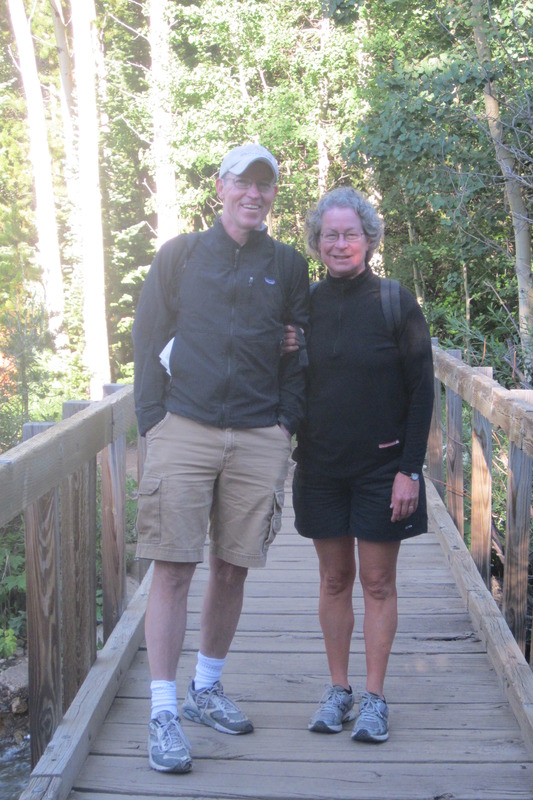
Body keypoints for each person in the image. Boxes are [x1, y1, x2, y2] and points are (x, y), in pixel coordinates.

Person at [132, 144, 310, 773]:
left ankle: (205, 688)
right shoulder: (180, 255)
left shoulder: (287, 264)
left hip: (259, 433)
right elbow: (147, 337)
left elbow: (300, 346)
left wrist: (285, 423)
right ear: (221, 187)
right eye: (243, 182)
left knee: (233, 568)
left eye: (265, 185)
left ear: (273, 194)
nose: (254, 194)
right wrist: (152, 421)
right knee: (173, 568)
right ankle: (162, 711)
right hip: (184, 426)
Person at [291, 186, 434, 743]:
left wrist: (410, 470)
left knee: (376, 582)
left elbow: (422, 392)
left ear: (369, 239)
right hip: (320, 467)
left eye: (351, 234)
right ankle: (338, 690)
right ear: (317, 242)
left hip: (383, 469)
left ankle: (375, 698)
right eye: (330, 235)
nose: (340, 243)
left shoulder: (395, 302)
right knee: (333, 579)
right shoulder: (304, 307)